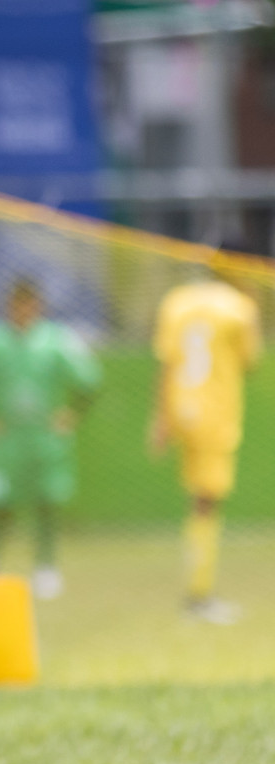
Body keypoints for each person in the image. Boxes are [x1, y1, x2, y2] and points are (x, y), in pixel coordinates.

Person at [0, 277, 101, 599]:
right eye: (18, 304)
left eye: (29, 303)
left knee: (48, 503)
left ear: (39, 306)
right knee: (0, 504)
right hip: (7, 442)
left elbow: (90, 381)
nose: (24, 310)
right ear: (8, 306)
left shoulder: (58, 340)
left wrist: (71, 414)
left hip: (46, 441)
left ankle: (46, 567)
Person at [149, 261, 262, 624]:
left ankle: (199, 591)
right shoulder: (241, 307)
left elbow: (166, 362)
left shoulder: (177, 300)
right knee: (207, 503)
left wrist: (162, 419)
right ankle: (200, 594)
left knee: (197, 499)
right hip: (215, 413)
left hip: (182, 407)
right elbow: (251, 361)